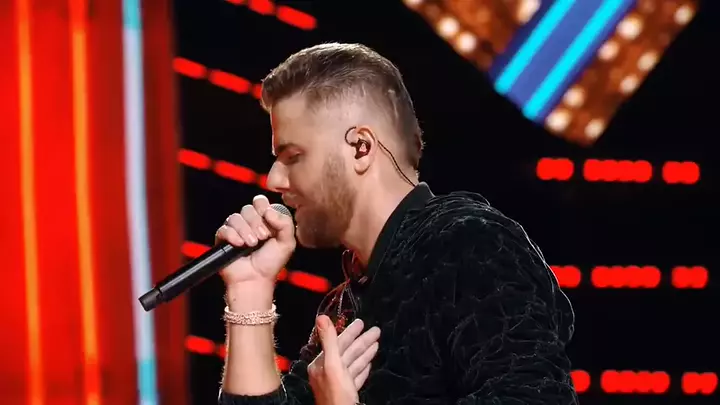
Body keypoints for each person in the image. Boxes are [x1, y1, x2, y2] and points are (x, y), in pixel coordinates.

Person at [215, 43, 578, 405]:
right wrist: (250, 293)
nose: (274, 179)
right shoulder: (344, 305)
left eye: (293, 156)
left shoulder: (471, 244)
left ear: (360, 147)